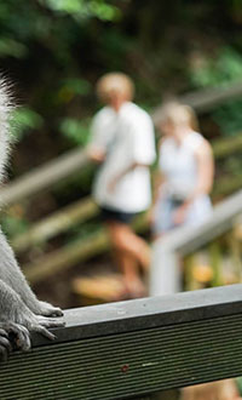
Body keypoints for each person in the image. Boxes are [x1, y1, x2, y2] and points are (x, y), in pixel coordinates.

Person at [87, 72, 156, 298]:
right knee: (115, 235)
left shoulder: (138, 118)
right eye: (109, 95)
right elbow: (96, 146)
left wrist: (118, 176)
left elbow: (143, 157)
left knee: (121, 235)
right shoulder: (103, 117)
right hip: (107, 188)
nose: (113, 99)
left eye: (117, 94)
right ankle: (131, 281)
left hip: (129, 189)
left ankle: (155, 263)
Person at [150, 102, 214, 238]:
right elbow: (161, 177)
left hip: (192, 204)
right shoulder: (165, 144)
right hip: (168, 201)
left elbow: (205, 184)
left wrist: (184, 209)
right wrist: (155, 206)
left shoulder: (199, 146)